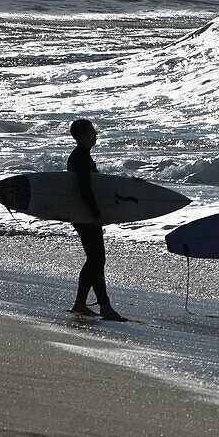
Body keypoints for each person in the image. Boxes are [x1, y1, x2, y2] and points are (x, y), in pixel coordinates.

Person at [67, 119, 126, 321]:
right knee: (97, 259)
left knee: (95, 259)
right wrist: (95, 214)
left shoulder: (82, 156)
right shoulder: (81, 157)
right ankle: (104, 306)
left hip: (83, 214)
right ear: (82, 135)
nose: (96, 134)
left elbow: (97, 186)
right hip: (85, 215)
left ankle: (81, 304)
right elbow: (84, 189)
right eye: (92, 131)